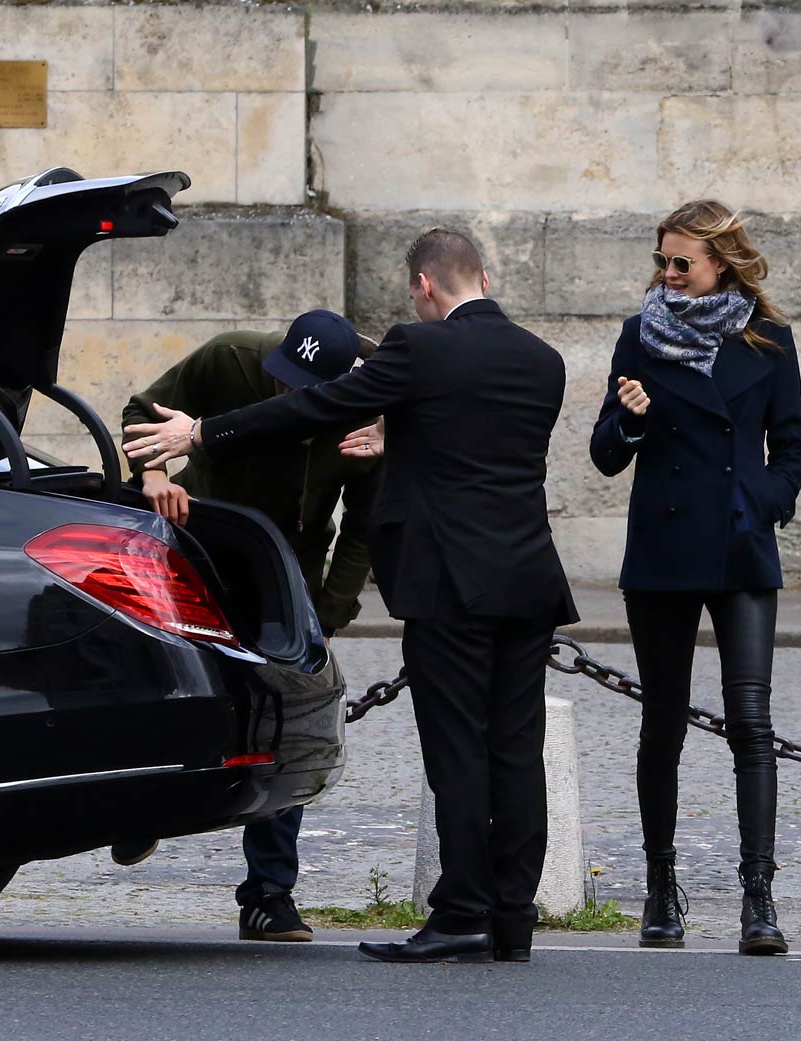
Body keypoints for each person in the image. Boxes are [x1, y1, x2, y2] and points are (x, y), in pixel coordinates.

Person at [125, 229, 578, 964]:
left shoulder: (417, 347)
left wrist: (204, 430)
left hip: (448, 585)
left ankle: (461, 909)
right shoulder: (543, 360)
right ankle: (513, 919)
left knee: (459, 750)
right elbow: (479, 449)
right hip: (529, 579)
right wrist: (399, 442)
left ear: (424, 287)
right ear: (486, 276)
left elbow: (316, 407)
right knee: (517, 753)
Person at [588, 200, 801, 956]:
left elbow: (793, 446)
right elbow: (605, 452)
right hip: (664, 547)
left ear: (722, 261)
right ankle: (660, 889)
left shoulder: (769, 339)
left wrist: (759, 503)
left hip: (742, 549)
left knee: (752, 721)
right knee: (664, 723)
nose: (669, 274)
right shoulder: (639, 336)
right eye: (663, 261)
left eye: (683, 262)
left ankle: (759, 896)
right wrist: (633, 419)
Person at [115, 310, 381, 944]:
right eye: (283, 381)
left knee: (285, 723)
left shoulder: (369, 409)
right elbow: (141, 410)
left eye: (305, 390)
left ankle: (268, 894)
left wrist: (328, 611)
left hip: (289, 573)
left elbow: (363, 525)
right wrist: (154, 475)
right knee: (170, 686)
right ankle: (138, 802)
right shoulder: (231, 356)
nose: (289, 396)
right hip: (201, 544)